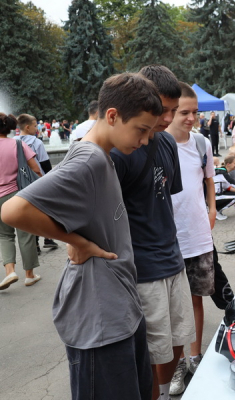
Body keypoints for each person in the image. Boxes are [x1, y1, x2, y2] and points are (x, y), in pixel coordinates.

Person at [1, 73, 163, 399]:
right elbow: (13, 211)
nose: (145, 140)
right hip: (100, 321)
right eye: (142, 130)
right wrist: (78, 242)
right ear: (113, 116)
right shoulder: (89, 160)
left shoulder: (103, 156)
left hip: (120, 310)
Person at [110, 65, 196, 400]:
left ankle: (162, 392)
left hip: (172, 259)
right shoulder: (121, 152)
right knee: (149, 348)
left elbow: (164, 200)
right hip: (142, 268)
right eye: (164, 109)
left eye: (174, 110)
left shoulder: (166, 144)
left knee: (178, 337)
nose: (167, 118)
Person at [166, 82, 217, 396]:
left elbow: (209, 180)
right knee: (171, 308)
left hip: (198, 236)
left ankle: (194, 357)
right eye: (184, 112)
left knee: (196, 298)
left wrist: (212, 209)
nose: (191, 118)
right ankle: (175, 367)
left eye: (195, 112)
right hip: (167, 241)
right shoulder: (157, 144)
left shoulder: (201, 143)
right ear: (170, 112)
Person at [0, 113, 43, 290]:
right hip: (18, 195)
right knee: (25, 234)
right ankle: (29, 275)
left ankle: (10, 271)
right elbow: (36, 169)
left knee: (4, 235)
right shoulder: (18, 144)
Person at [15, 114, 58, 253]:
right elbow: (45, 164)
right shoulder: (36, 142)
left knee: (29, 213)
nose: (36, 128)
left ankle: (34, 244)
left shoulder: (12, 141)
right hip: (38, 181)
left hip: (20, 182)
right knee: (44, 210)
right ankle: (48, 238)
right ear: (27, 127)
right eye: (34, 126)